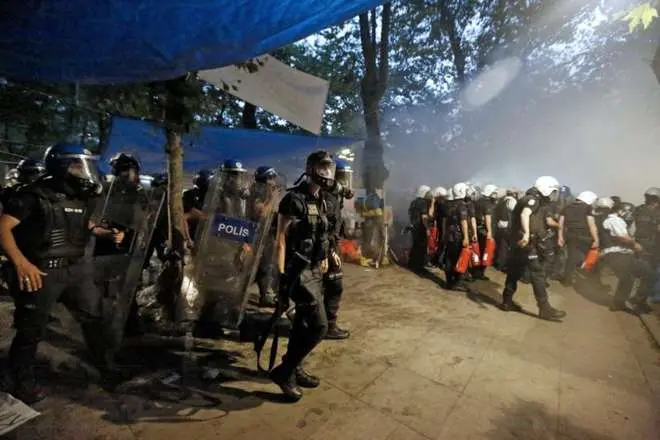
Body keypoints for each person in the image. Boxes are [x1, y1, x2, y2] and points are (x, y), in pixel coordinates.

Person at [0, 142, 124, 403]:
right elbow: (3, 229)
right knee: (31, 330)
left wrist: (107, 233)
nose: (84, 171)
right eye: (79, 165)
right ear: (62, 166)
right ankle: (21, 382)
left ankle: (107, 369)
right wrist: (21, 263)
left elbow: (83, 224)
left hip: (75, 272)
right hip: (41, 273)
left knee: (95, 319)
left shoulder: (80, 196)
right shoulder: (32, 195)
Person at [269, 151, 333, 401]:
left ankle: (294, 367)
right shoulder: (294, 199)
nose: (327, 172)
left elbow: (320, 233)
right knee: (319, 326)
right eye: (322, 166)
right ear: (310, 168)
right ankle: (284, 372)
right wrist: (282, 276)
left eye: (329, 166)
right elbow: (280, 239)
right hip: (299, 271)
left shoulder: (322, 199)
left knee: (302, 324)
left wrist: (325, 255)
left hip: (316, 269)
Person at [500, 176, 566, 321]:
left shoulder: (533, 199)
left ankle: (507, 301)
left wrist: (558, 225)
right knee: (537, 274)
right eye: (552, 190)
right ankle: (545, 309)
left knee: (515, 271)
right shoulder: (533, 199)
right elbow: (525, 215)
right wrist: (527, 234)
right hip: (526, 243)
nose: (553, 194)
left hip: (521, 242)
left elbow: (544, 219)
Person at [597, 198, 653, 312]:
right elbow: (622, 237)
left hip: (615, 255)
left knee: (627, 279)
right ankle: (637, 300)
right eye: (630, 213)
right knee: (649, 273)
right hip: (618, 254)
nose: (630, 216)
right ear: (623, 211)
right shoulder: (616, 220)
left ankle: (618, 303)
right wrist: (635, 244)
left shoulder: (609, 220)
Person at [323, 159, 354, 340]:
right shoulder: (329, 196)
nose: (345, 183)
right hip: (327, 245)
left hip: (330, 243)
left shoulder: (335, 196)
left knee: (327, 284)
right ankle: (328, 325)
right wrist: (328, 250)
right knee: (334, 284)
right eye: (341, 178)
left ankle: (323, 323)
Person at [248, 166, 280, 308]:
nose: (274, 182)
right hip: (258, 234)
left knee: (267, 266)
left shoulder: (263, 191)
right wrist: (273, 198)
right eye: (272, 178)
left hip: (265, 234)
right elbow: (262, 213)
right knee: (261, 265)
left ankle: (265, 294)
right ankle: (264, 295)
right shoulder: (258, 191)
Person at [628, 187, 660, 313]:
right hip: (649, 247)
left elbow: (629, 226)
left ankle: (640, 301)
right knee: (649, 275)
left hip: (643, 245)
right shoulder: (643, 210)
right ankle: (637, 301)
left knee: (643, 274)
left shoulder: (638, 209)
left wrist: (632, 242)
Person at [559, 190, 599, 287]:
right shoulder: (588, 208)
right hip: (584, 236)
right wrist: (596, 239)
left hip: (570, 236)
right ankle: (588, 281)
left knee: (571, 258)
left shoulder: (566, 207)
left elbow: (561, 223)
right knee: (587, 258)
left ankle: (567, 280)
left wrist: (560, 237)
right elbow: (591, 225)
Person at [443, 182, 471, 291]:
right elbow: (463, 222)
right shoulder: (462, 206)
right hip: (458, 235)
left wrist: (445, 235)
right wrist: (466, 237)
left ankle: (449, 282)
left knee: (450, 258)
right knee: (460, 258)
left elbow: (446, 221)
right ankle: (457, 282)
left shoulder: (449, 205)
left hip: (450, 234)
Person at [471, 184, 497, 280]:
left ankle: (475, 270)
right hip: (484, 230)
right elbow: (487, 218)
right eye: (494, 192)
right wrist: (489, 231)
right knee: (485, 251)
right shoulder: (488, 204)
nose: (496, 194)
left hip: (477, 229)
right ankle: (479, 273)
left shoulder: (477, 201)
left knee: (477, 251)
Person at [183, 168, 213, 245]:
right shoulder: (190, 194)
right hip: (194, 231)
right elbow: (190, 212)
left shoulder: (214, 197)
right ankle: (187, 240)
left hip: (210, 233)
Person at [407, 185, 431, 272]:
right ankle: (418, 266)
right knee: (421, 246)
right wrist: (427, 228)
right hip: (420, 227)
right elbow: (424, 217)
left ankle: (411, 263)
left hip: (414, 226)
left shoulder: (413, 202)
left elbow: (410, 213)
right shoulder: (423, 203)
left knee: (415, 245)